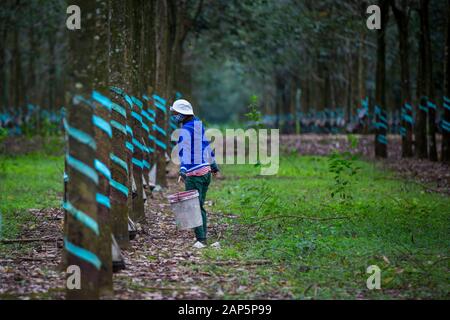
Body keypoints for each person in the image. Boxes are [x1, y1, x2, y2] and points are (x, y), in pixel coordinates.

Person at [170, 99, 220, 249]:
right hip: (206, 172)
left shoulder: (185, 131)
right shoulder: (198, 125)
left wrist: (184, 169)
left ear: (183, 114)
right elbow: (206, 145)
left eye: (176, 113)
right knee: (200, 206)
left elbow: (184, 151)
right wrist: (213, 165)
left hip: (194, 174)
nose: (174, 116)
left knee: (193, 207)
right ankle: (202, 236)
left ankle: (201, 240)